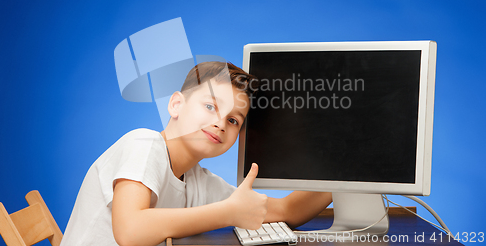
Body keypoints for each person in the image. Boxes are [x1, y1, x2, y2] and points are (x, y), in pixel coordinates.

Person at [61, 61, 332, 246]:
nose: (220, 123)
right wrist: (228, 212)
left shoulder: (198, 182)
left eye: (234, 120)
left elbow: (286, 210)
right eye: (210, 107)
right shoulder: (143, 144)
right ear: (177, 105)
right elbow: (130, 230)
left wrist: (352, 173)